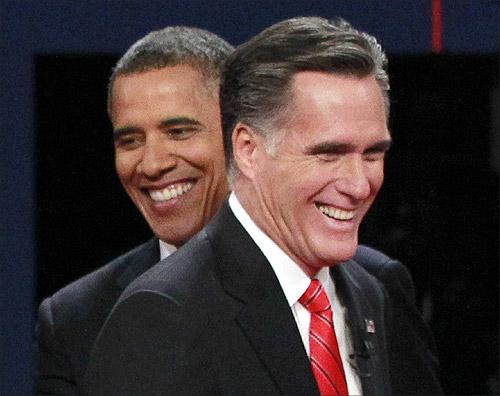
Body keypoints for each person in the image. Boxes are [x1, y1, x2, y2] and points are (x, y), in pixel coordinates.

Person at [83, 17, 443, 395]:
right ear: (248, 150)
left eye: (372, 154)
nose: (358, 184)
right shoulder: (162, 314)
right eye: (328, 153)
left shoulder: (374, 293)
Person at [34, 26, 233, 395]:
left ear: (242, 137)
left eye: (178, 132)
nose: (152, 164)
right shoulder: (75, 321)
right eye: (130, 141)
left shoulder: (355, 287)